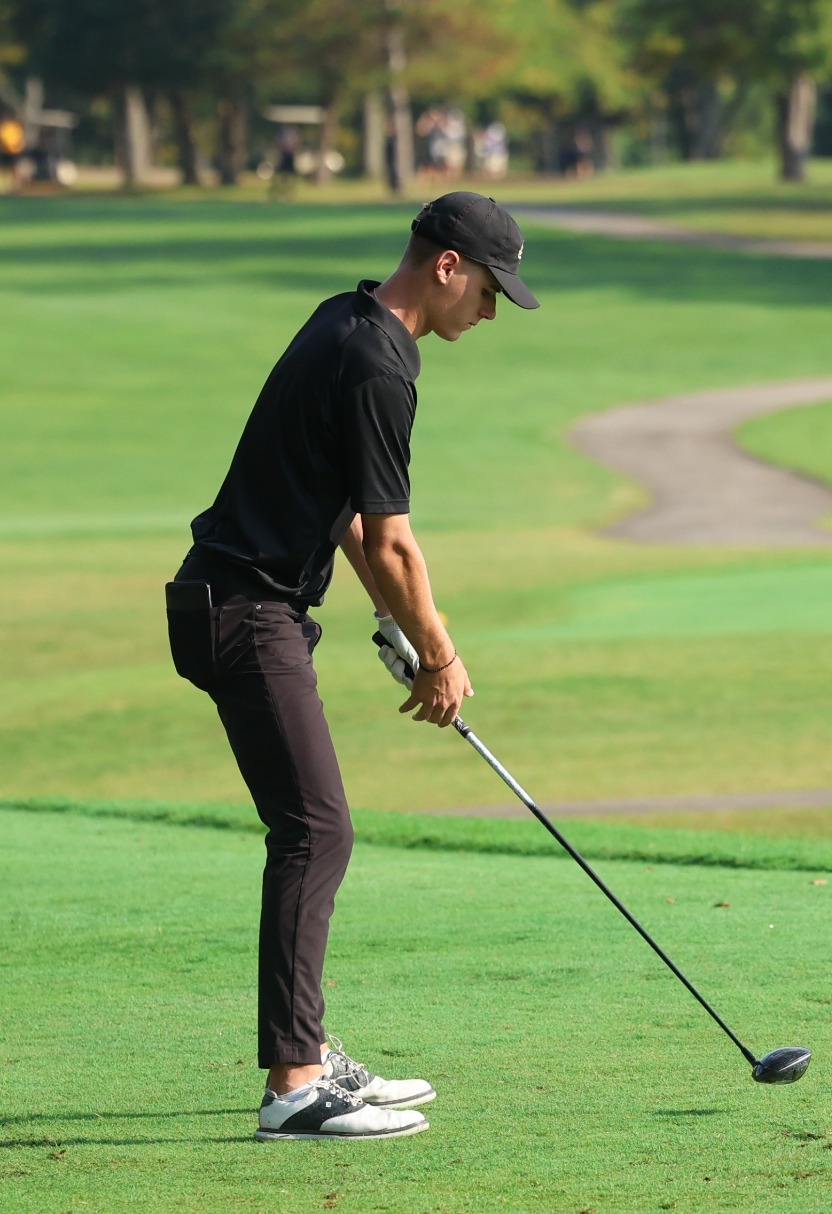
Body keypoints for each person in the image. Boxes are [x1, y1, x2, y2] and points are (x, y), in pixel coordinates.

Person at [165, 193, 540, 1142]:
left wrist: (393, 626)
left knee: (311, 826)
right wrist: (443, 655)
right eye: (492, 292)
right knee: (315, 829)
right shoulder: (381, 365)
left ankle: (309, 1048)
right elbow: (396, 540)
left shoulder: (347, 319)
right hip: (246, 611)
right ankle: (294, 1085)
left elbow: (351, 522)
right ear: (449, 266)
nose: (491, 314)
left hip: (240, 599)